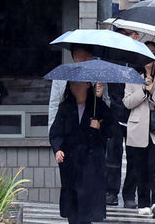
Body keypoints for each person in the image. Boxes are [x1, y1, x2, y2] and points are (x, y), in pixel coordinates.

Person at [50, 79, 116, 224]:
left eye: (79, 84)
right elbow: (56, 133)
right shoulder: (65, 107)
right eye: (73, 84)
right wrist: (58, 149)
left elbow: (112, 130)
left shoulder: (97, 106)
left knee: (87, 200)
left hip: (91, 160)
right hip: (71, 160)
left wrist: (99, 126)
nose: (76, 87)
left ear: (87, 85)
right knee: (72, 201)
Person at [123, 44, 155, 219]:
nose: (150, 57)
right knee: (140, 167)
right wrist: (144, 90)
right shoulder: (131, 77)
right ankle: (143, 202)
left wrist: (153, 91)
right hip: (138, 128)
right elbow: (127, 102)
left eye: (153, 54)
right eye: (146, 54)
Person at [106, 29, 141, 208]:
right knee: (113, 154)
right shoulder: (113, 57)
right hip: (115, 112)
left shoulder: (140, 59)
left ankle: (130, 194)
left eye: (130, 34)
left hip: (136, 113)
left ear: (137, 36)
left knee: (135, 156)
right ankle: (111, 191)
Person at [49, 45, 106, 136]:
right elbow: (54, 105)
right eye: (80, 55)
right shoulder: (62, 76)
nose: (84, 59)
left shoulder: (97, 76)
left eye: (87, 56)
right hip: (67, 130)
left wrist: (98, 97)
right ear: (74, 56)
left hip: (89, 133)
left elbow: (103, 113)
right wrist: (52, 133)